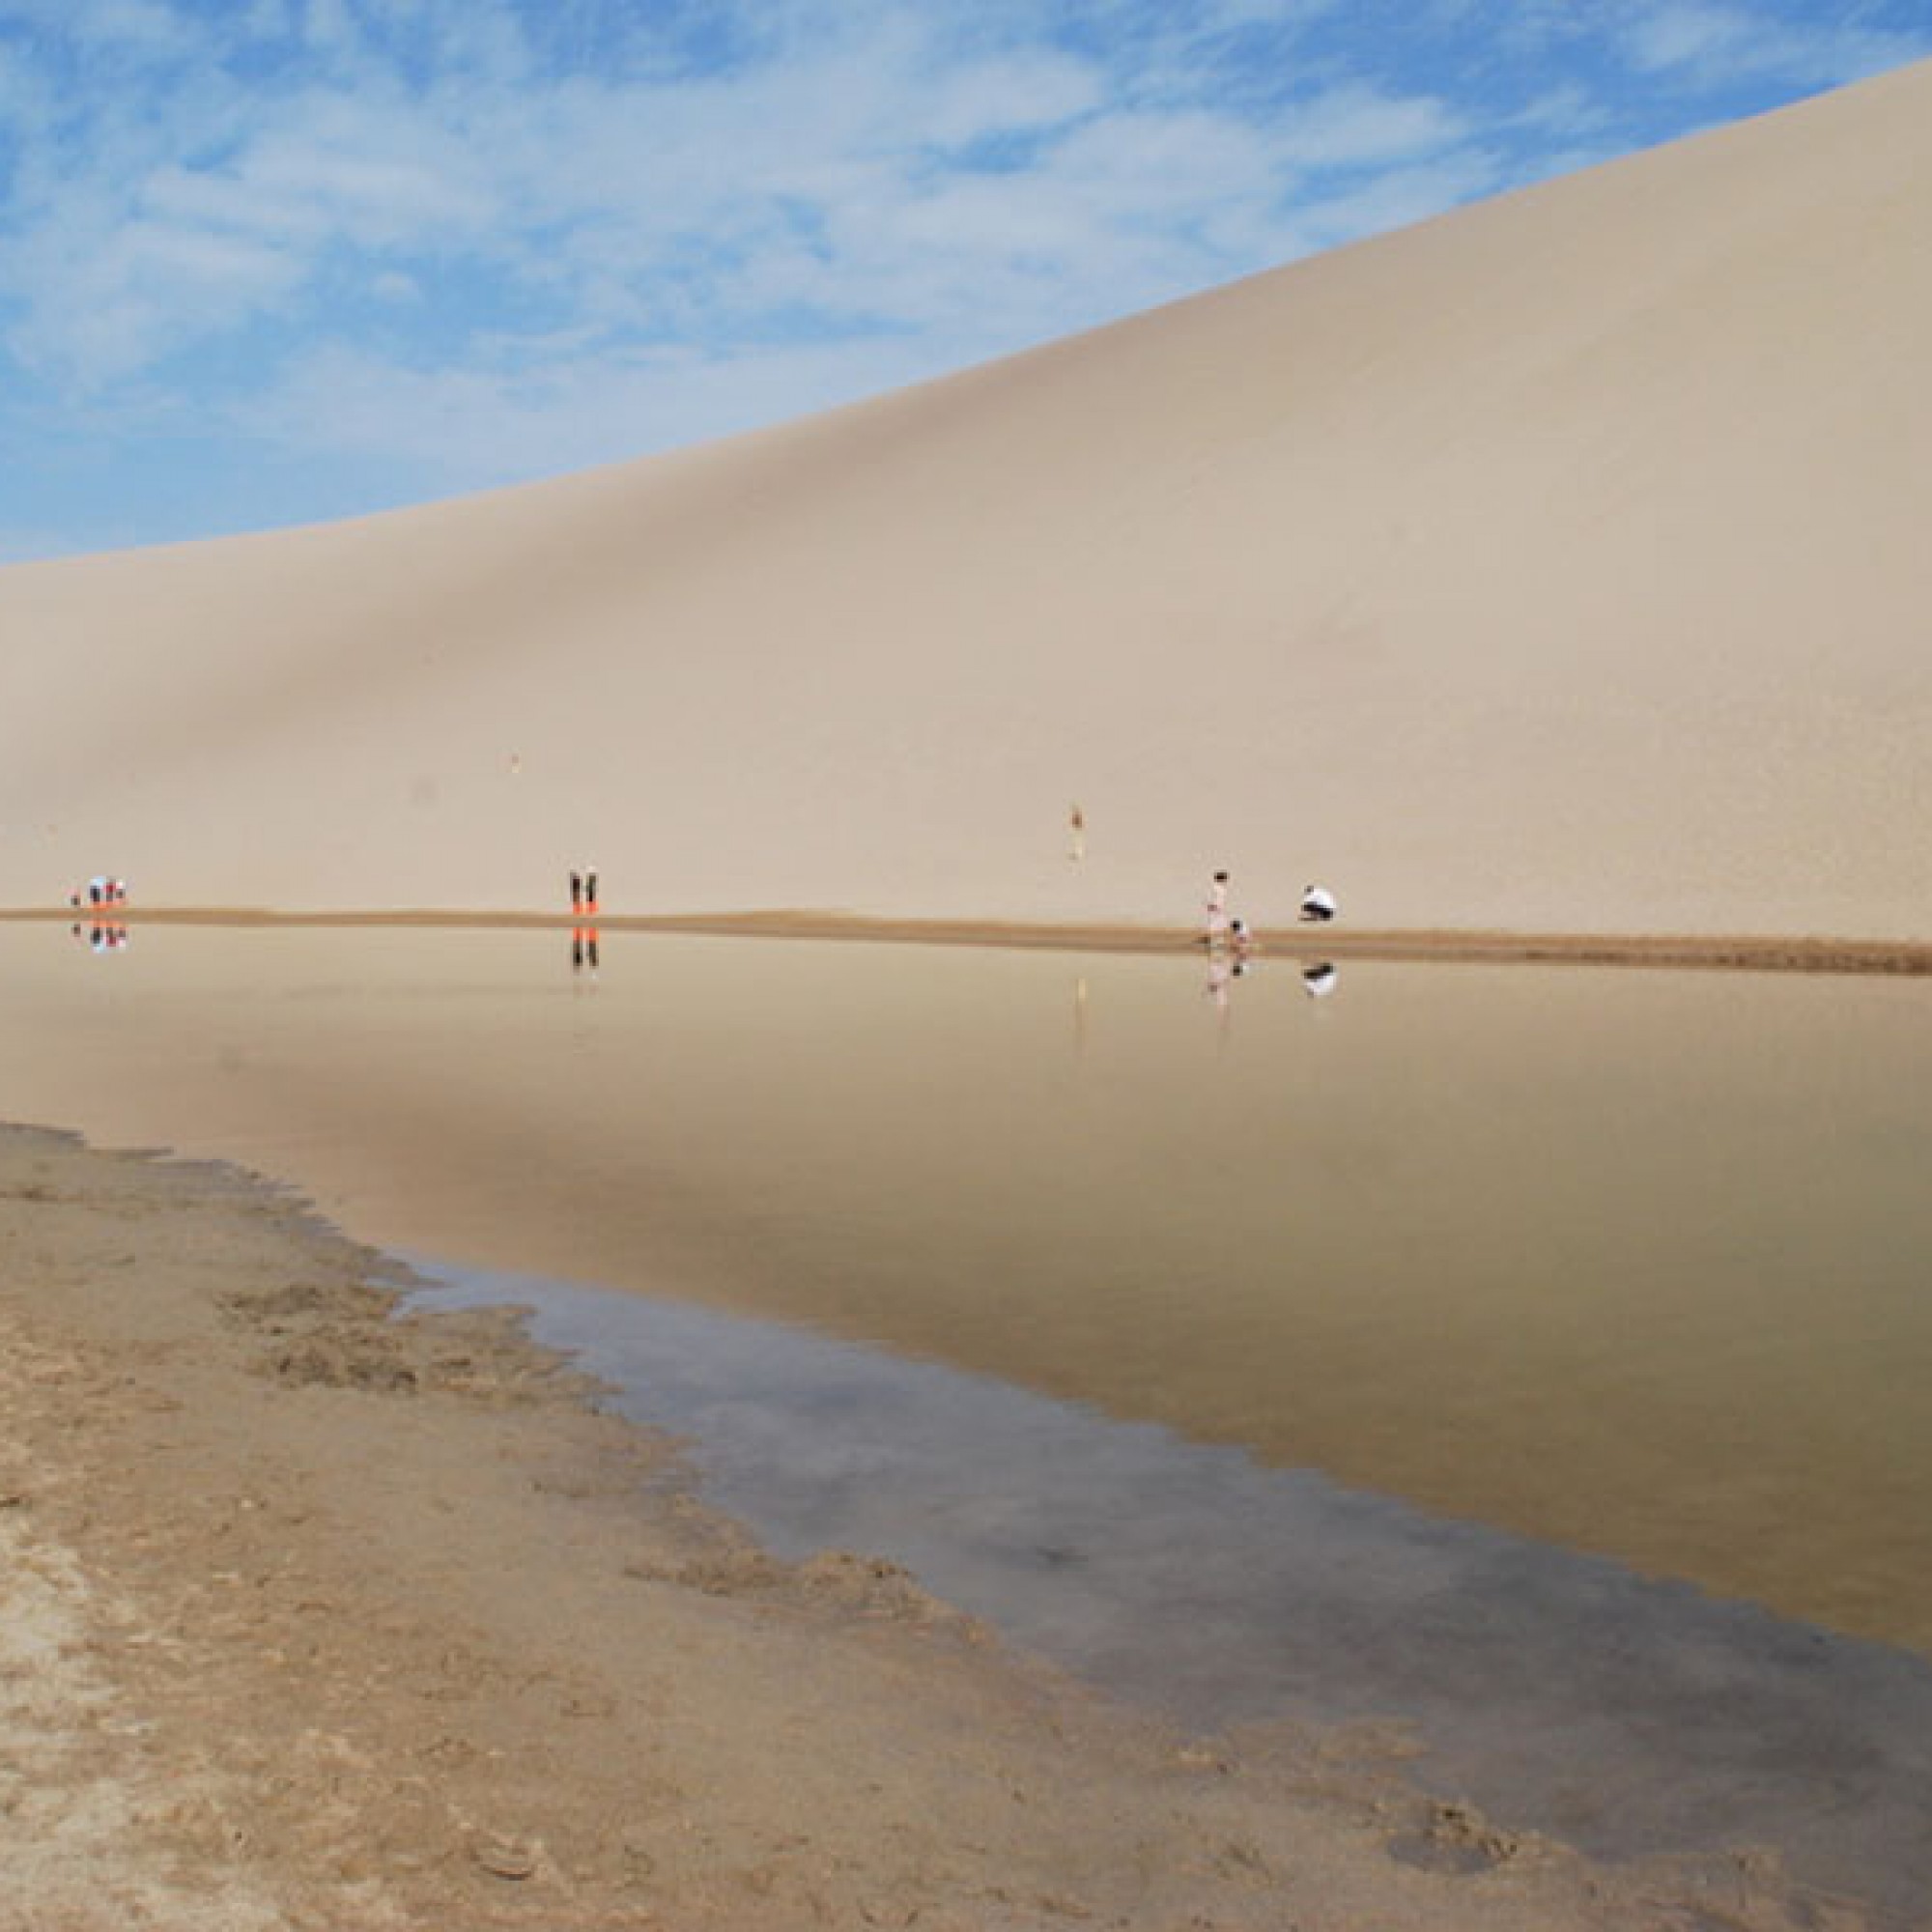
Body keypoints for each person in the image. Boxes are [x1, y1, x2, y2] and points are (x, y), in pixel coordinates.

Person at [1204, 869, 1231, 946]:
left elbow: (1220, 899)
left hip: (1219, 908)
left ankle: (1215, 940)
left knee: (1221, 924)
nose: (1226, 880)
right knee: (1214, 924)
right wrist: (1212, 905)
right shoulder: (1215, 888)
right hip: (1215, 908)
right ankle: (1208, 939)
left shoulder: (1221, 888)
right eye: (1225, 879)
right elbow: (1210, 897)